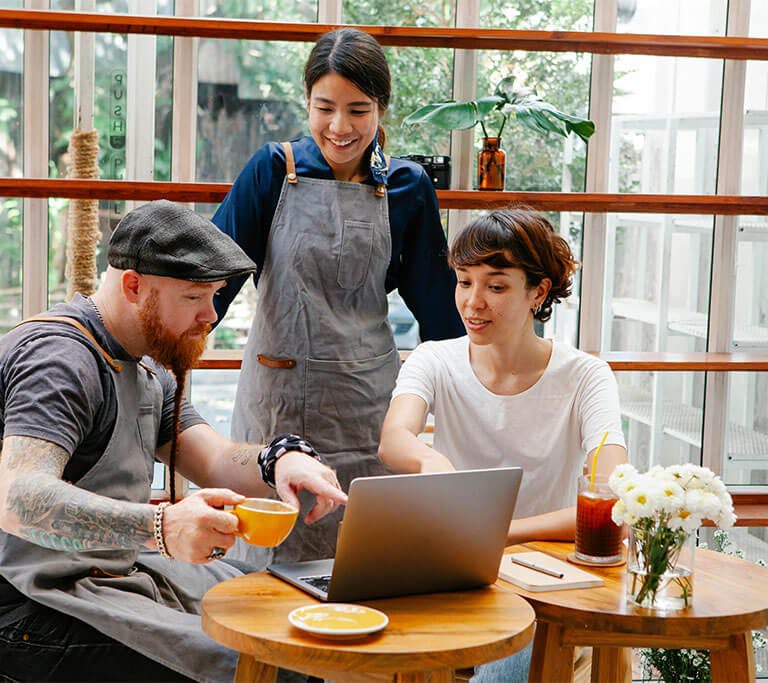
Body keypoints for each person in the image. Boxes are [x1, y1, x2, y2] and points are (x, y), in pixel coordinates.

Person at [0, 200, 347, 683]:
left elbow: (217, 458)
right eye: (194, 296)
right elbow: (18, 499)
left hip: (109, 575)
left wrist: (279, 458)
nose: (211, 314)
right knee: (269, 665)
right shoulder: (60, 361)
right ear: (134, 285)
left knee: (287, 605)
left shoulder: (143, 363)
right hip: (26, 605)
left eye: (216, 295)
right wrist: (162, 526)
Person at [211, 27, 464, 568]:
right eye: (324, 107)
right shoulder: (272, 171)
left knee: (363, 561)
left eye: (358, 109)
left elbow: (440, 312)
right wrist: (158, 356)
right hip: (277, 402)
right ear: (306, 102)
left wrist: (483, 389)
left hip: (367, 407)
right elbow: (214, 280)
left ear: (381, 109)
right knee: (270, 563)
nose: (340, 127)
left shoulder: (408, 186)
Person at [378, 207, 627, 683]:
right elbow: (394, 439)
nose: (473, 302)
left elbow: (610, 490)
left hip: (548, 574)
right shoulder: (434, 359)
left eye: (495, 286)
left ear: (538, 291)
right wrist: (429, 459)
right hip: (457, 568)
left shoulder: (585, 377)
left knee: (508, 659)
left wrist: (497, 532)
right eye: (464, 281)